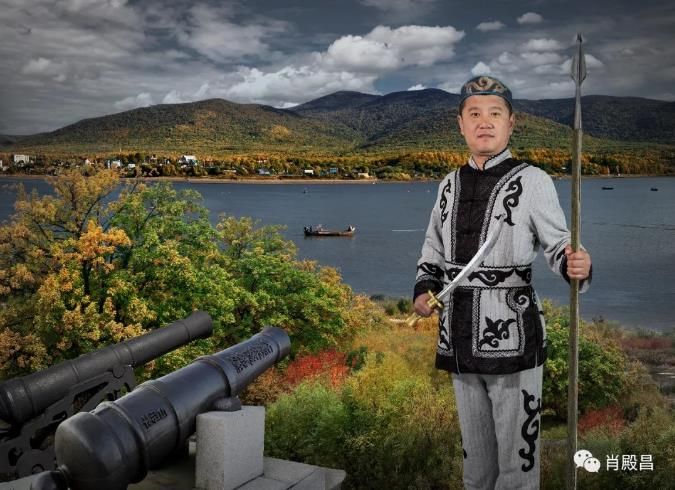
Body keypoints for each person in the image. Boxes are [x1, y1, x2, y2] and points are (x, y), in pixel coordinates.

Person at [413, 75, 591, 489]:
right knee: (475, 463)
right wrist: (424, 289)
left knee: (517, 463)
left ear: (511, 123)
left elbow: (559, 244)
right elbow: (433, 248)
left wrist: (575, 263)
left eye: (495, 113)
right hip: (457, 334)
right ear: (460, 124)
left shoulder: (534, 181)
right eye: (474, 114)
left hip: (512, 333)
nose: (485, 122)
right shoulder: (448, 184)